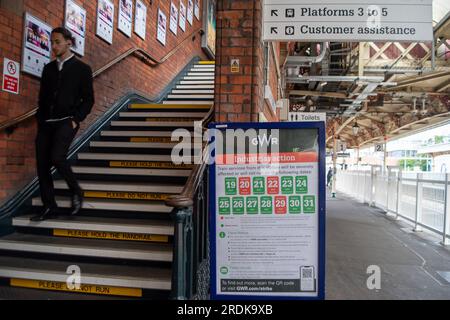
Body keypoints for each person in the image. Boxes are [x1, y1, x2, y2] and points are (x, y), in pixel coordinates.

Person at [31, 27, 94, 221]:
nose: (53, 46)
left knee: (57, 157)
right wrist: (40, 120)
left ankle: (76, 191)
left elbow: (89, 99)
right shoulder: (48, 69)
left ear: (69, 42)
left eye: (57, 41)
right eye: (52, 42)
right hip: (46, 123)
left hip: (66, 122)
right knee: (42, 164)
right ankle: (50, 206)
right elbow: (42, 98)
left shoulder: (83, 69)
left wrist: (76, 119)